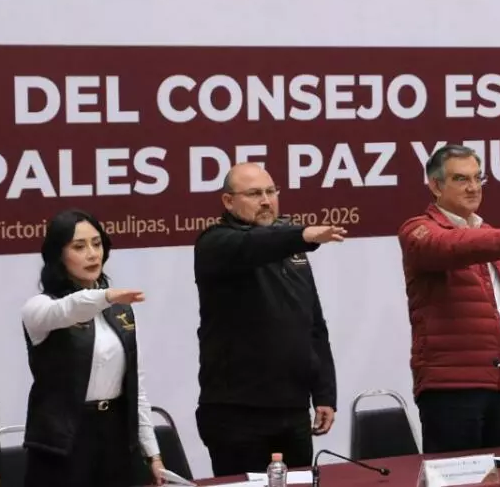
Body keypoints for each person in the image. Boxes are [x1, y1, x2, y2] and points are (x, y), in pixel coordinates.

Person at [398, 145, 500, 453]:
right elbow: (452, 245)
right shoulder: (418, 230)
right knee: (455, 475)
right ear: (435, 185)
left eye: (478, 178)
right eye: (461, 179)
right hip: (450, 387)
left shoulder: (489, 236)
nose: (473, 187)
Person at [194, 163, 345, 474]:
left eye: (270, 192)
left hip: (293, 409)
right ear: (228, 201)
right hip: (237, 413)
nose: (265, 201)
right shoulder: (216, 243)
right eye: (253, 194)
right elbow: (255, 244)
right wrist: (302, 234)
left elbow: (314, 326)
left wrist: (324, 394)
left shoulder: (290, 246)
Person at [20, 209, 164, 487]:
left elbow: (136, 387)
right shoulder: (40, 308)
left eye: (97, 244)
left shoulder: (120, 309)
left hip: (115, 434)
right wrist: (105, 295)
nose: (92, 254)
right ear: (58, 255)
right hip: (63, 441)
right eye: (79, 247)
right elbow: (69, 309)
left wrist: (152, 453)